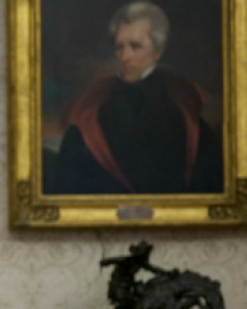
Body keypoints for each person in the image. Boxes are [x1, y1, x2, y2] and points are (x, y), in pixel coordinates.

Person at [45, 2, 222, 195]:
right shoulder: (89, 118)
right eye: (119, 47)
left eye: (135, 46)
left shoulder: (188, 118)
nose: (124, 56)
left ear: (157, 52)